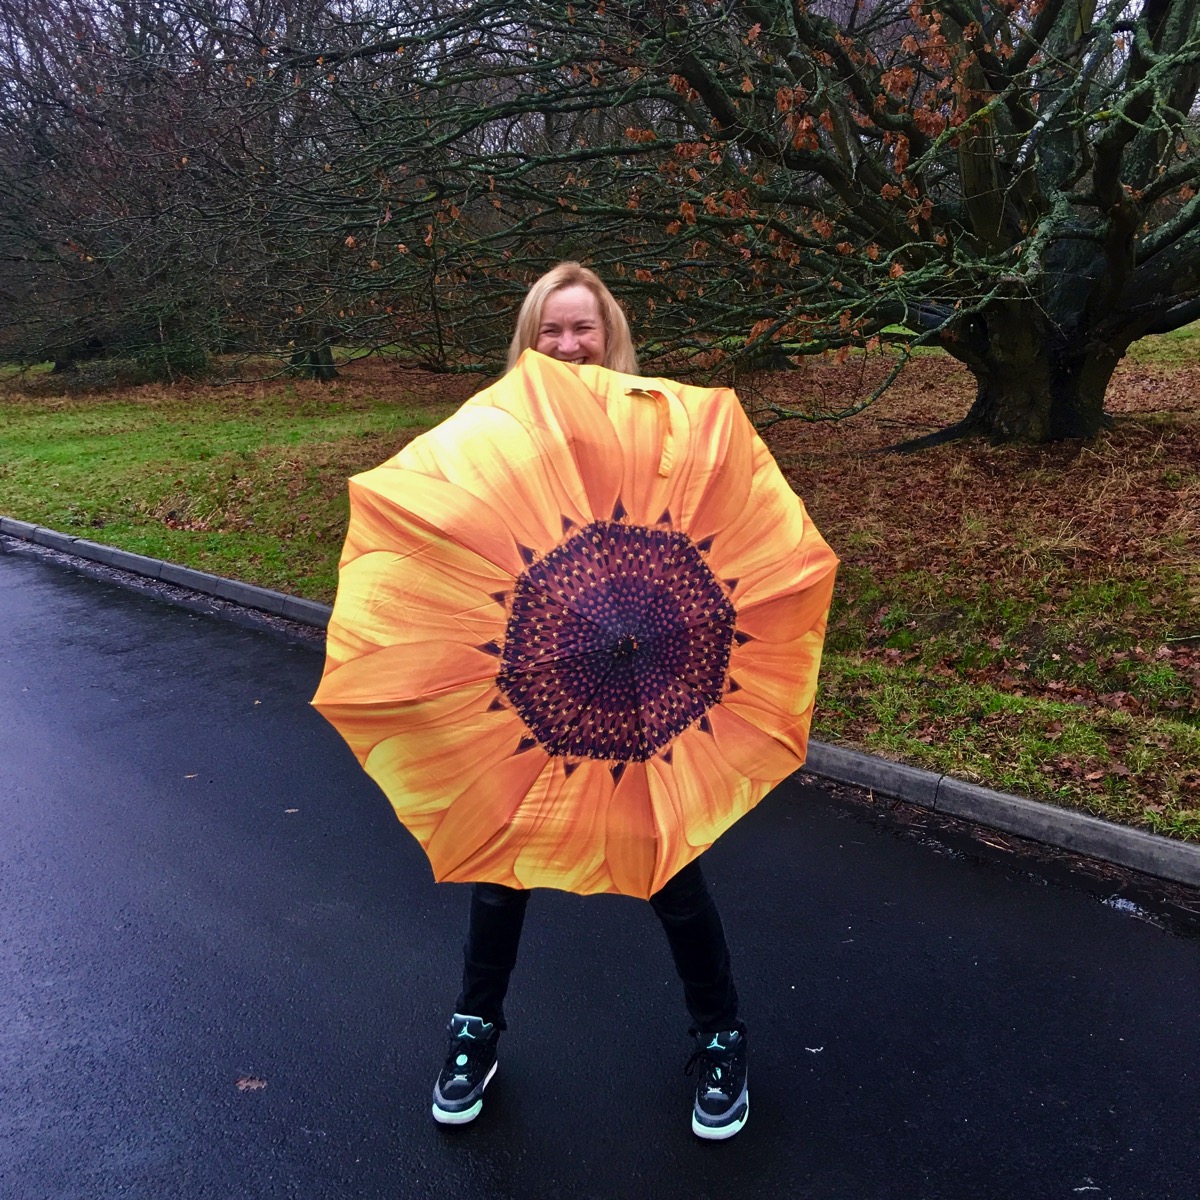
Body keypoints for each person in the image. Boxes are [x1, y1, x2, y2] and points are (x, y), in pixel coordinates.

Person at [431, 262, 749, 1141]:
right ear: (527, 339)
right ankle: (474, 1032)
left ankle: (722, 1036)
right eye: (550, 329)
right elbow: (458, 539)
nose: (568, 344)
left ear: (610, 334)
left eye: (583, 328)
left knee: (670, 863)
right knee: (500, 865)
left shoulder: (655, 423)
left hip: (649, 663)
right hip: (524, 672)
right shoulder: (491, 433)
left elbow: (701, 514)